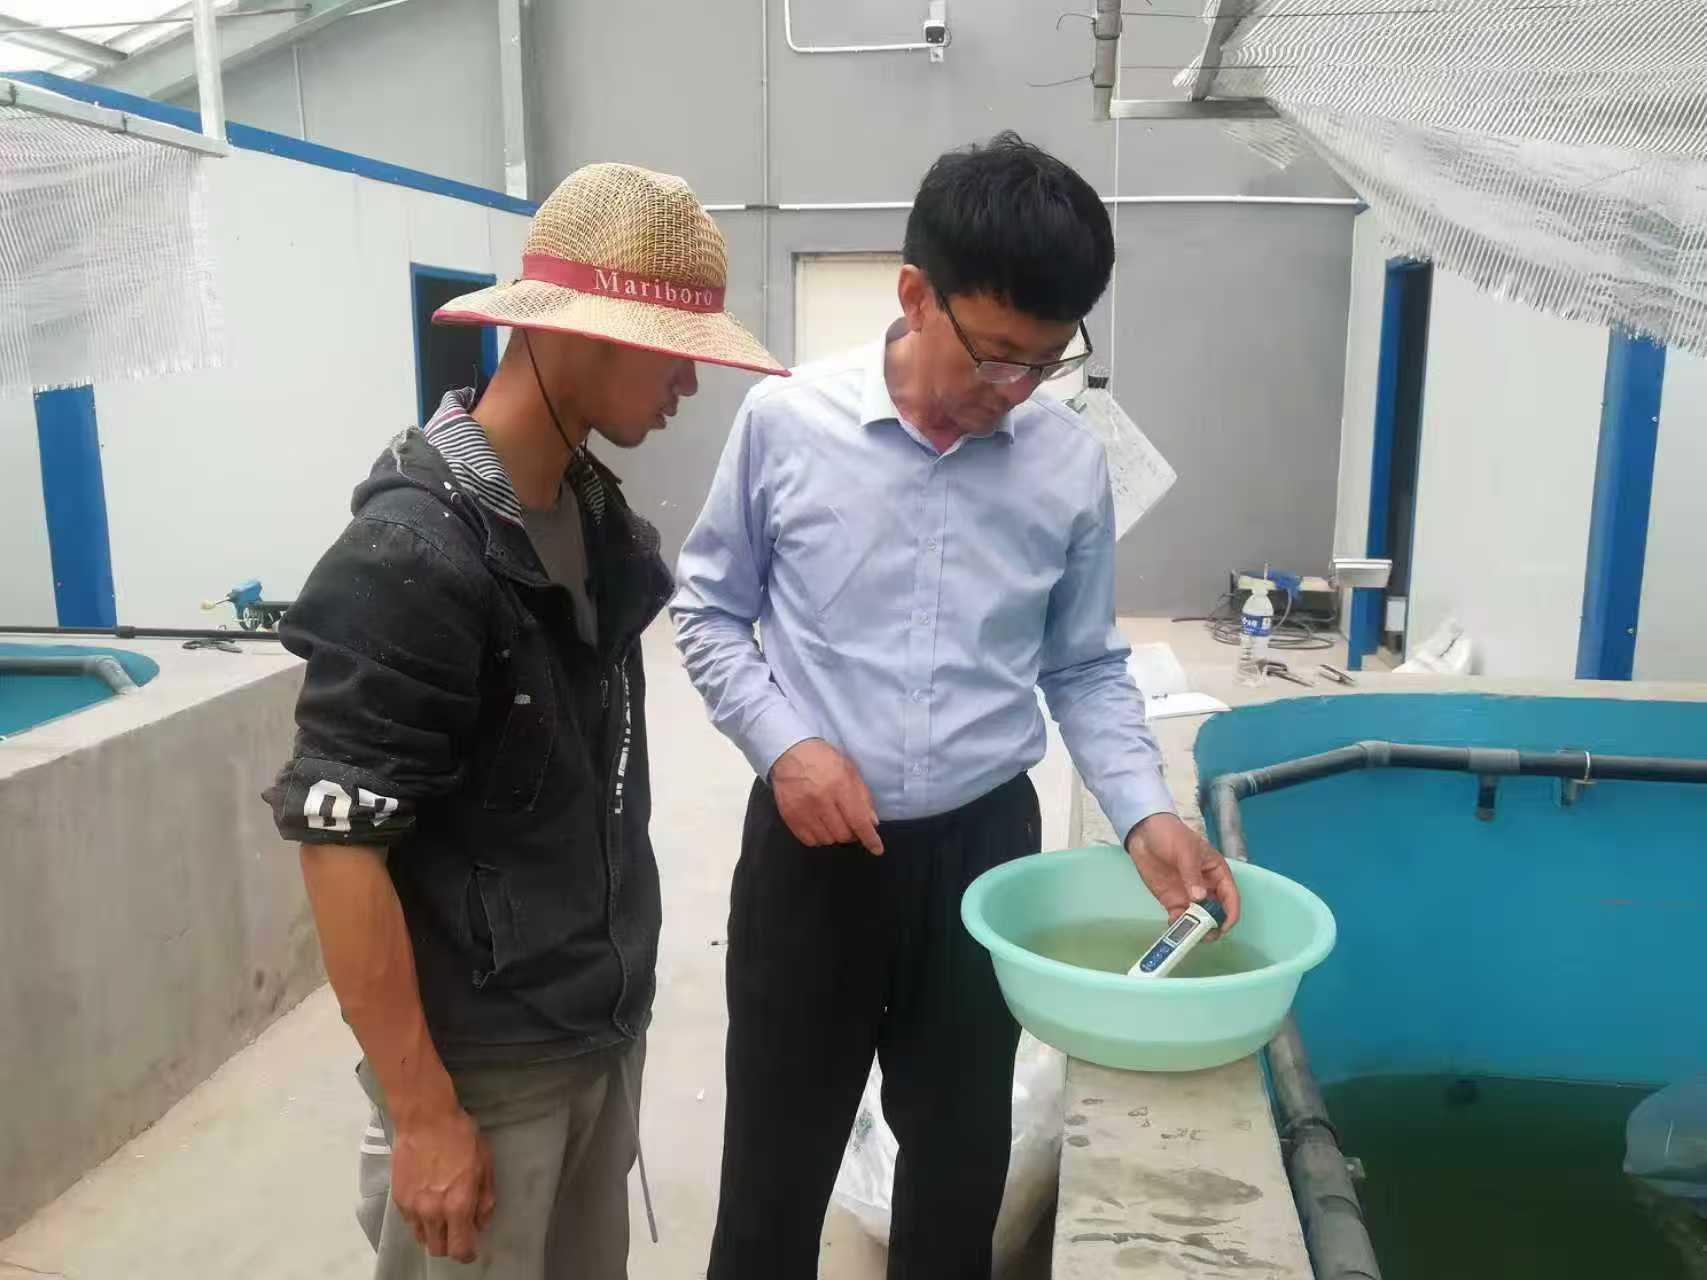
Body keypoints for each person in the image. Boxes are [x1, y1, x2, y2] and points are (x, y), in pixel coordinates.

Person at [671, 132, 1242, 1279]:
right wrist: (785, 747)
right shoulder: (787, 424)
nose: (1014, 389)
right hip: (812, 854)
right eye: (993, 355)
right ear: (914, 294)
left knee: (957, 1176)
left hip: (984, 859)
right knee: (774, 1180)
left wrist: (1146, 812)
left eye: (1045, 361)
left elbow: (1083, 665)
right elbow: (709, 612)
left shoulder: (1065, 466)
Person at [265, 162, 783, 1279]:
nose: (691, 378)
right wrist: (422, 1112)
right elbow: (339, 845)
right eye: (670, 345)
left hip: (595, 1027)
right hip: (487, 1070)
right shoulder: (411, 555)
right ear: (573, 333)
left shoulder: (596, 524)